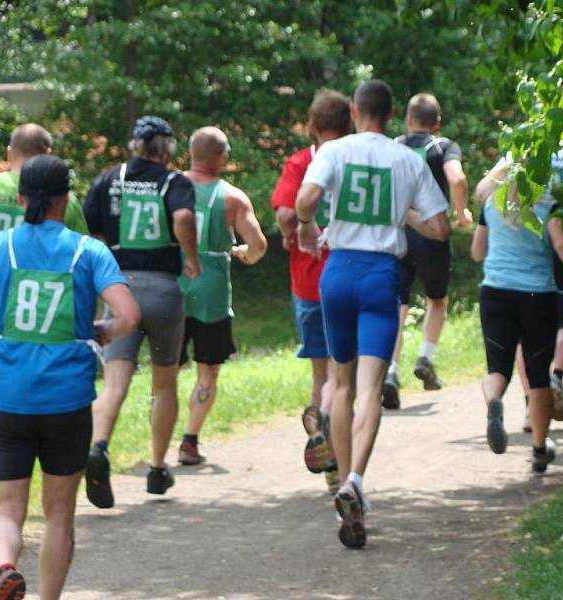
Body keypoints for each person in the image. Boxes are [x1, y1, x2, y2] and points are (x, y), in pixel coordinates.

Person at [296, 79, 449, 548]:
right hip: (381, 276)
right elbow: (441, 229)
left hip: (338, 272)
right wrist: (404, 215)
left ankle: (341, 479)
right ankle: (355, 480)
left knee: (338, 386)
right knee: (370, 391)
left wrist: (308, 222)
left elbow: (304, 203)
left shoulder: (335, 151)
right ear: (391, 115)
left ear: (356, 111)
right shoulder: (409, 159)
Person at [0, 155, 138, 600]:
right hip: (67, 401)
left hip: (8, 398)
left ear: (21, 198)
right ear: (65, 200)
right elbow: (128, 314)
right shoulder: (88, 251)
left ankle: (6, 565)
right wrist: (103, 331)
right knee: (59, 515)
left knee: (6, 510)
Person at [83, 116, 200, 508]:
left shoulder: (108, 179)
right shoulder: (174, 181)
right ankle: (157, 466)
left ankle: (98, 446)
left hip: (120, 289)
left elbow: (93, 230)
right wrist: (192, 257)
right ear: (166, 147)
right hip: (164, 289)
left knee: (115, 382)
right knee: (164, 384)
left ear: (134, 145)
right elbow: (183, 217)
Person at [0, 123, 89, 516]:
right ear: (47, 153)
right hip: (42, 320)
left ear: (10, 151)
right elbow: (81, 259)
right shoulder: (66, 200)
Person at [471, 156, 563, 473]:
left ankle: (495, 404)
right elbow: (562, 248)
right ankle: (540, 450)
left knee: (497, 368)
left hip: (495, 293)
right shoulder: (548, 203)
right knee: (539, 376)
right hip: (536, 296)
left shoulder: (492, 202)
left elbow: (477, 253)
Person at [270, 89, 351, 493]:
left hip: (307, 284)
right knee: (342, 376)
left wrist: (299, 228)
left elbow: (285, 213)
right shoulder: (355, 160)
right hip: (347, 275)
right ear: (349, 124)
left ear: (312, 127)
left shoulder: (301, 162)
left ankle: (318, 422)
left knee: (321, 374)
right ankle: (335, 459)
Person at [176, 126, 267, 465]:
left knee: (165, 369)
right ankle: (189, 440)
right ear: (220, 156)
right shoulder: (232, 198)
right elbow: (258, 247)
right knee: (207, 371)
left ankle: (157, 441)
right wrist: (242, 252)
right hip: (211, 293)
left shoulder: (170, 188)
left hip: (174, 285)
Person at [382, 93, 470, 408]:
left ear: (407, 120)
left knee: (397, 307)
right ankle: (425, 358)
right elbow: (457, 179)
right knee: (437, 300)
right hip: (433, 235)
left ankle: (390, 372)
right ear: (437, 123)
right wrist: (462, 214)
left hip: (398, 234)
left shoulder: (392, 146)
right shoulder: (443, 146)